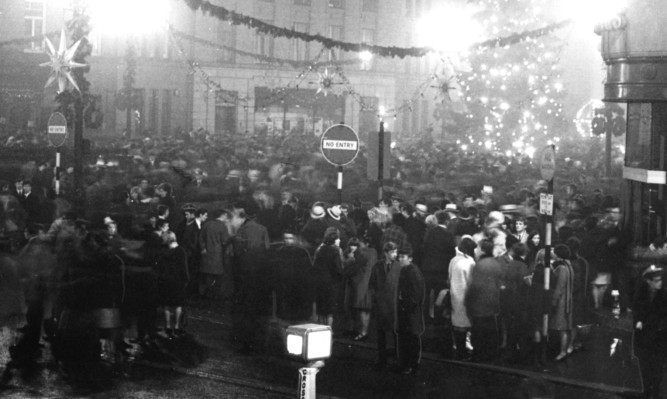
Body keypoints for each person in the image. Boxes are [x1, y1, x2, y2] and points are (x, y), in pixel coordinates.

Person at [633, 265, 667, 399]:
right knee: (644, 364)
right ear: (649, 281)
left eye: (660, 280)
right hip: (644, 335)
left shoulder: (664, 295)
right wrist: (638, 321)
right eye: (656, 280)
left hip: (659, 337)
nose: (660, 283)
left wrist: (659, 327)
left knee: (657, 366)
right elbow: (637, 309)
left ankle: (655, 392)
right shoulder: (641, 293)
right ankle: (646, 390)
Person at [368, 241, 400, 370]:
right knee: (381, 332)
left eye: (396, 252)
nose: (395, 255)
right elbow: (372, 283)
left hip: (393, 303)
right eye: (392, 252)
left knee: (395, 332)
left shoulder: (399, 266)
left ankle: (397, 356)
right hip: (381, 303)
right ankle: (382, 358)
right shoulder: (377, 266)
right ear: (386, 253)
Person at [395, 249, 425, 374]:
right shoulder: (408, 270)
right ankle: (408, 364)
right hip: (408, 311)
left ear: (410, 258)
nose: (400, 259)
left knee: (410, 339)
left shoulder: (412, 272)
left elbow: (416, 295)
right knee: (408, 338)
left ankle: (410, 365)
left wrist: (405, 305)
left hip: (409, 311)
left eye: (403, 257)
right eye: (400, 257)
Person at [448, 236, 477, 360]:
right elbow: (471, 281)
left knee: (457, 325)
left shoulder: (453, 260)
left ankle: (458, 350)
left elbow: (449, 277)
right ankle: (464, 352)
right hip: (465, 296)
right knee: (465, 325)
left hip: (454, 295)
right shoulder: (470, 262)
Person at [155, 231, 189, 336]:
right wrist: (186, 279)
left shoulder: (163, 251)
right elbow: (184, 267)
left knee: (167, 305)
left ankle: (168, 326)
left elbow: (159, 266)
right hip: (177, 280)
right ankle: (177, 326)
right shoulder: (181, 251)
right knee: (178, 304)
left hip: (165, 280)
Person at [312, 227, 343, 328]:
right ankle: (329, 330)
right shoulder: (335, 251)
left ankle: (320, 329)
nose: (340, 240)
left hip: (319, 284)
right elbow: (339, 269)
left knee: (321, 309)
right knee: (330, 310)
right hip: (331, 284)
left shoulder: (320, 249)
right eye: (338, 238)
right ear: (334, 239)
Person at [342, 237, 373, 341]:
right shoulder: (369, 254)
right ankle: (360, 331)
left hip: (359, 285)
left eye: (355, 245)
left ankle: (362, 332)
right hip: (359, 285)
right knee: (360, 309)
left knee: (361, 309)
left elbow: (351, 270)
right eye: (351, 245)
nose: (353, 247)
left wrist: (349, 261)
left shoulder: (360, 256)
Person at [198, 208, 230, 299]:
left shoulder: (207, 224)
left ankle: (206, 295)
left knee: (207, 275)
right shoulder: (222, 226)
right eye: (226, 216)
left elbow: (200, 238)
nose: (226, 217)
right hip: (217, 255)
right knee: (217, 276)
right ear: (222, 215)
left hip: (206, 255)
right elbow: (224, 242)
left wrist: (203, 249)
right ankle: (215, 296)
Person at [550, 245, 574, 361]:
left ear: (558, 255)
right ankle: (564, 349)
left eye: (554, 252)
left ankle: (562, 352)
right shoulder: (569, 266)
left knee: (562, 327)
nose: (552, 254)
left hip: (562, 302)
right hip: (568, 300)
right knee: (566, 327)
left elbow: (559, 287)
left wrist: (554, 301)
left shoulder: (561, 268)